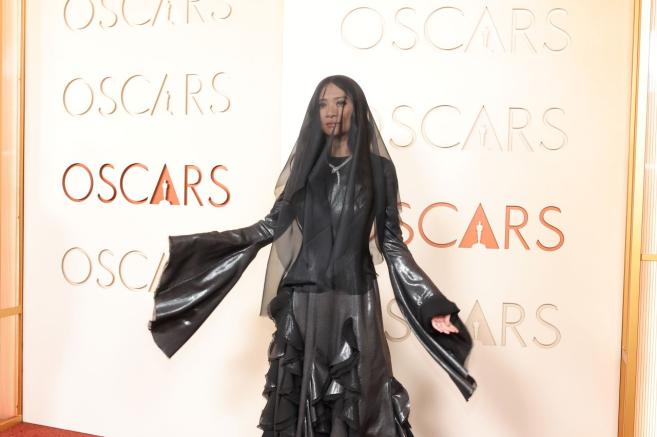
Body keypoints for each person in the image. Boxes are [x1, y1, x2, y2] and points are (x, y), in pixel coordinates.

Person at [148, 75, 476, 437]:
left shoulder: (379, 171)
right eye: (323, 104)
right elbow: (269, 227)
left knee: (362, 402)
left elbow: (393, 244)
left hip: (355, 304)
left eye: (340, 102)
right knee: (303, 402)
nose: (331, 111)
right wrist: (196, 250)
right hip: (304, 304)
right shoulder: (305, 170)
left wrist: (430, 303)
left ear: (357, 109)